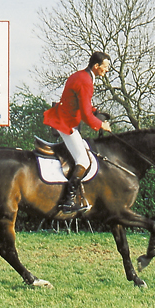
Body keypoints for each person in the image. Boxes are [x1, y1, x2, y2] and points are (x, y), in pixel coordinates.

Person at [43, 51, 112, 213]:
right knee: (84, 160)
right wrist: (102, 125)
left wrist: (95, 111)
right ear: (96, 66)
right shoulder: (85, 81)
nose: (107, 70)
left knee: (85, 151)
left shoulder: (81, 75)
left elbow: (82, 104)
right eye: (106, 67)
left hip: (65, 118)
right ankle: (68, 201)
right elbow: (87, 116)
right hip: (66, 124)